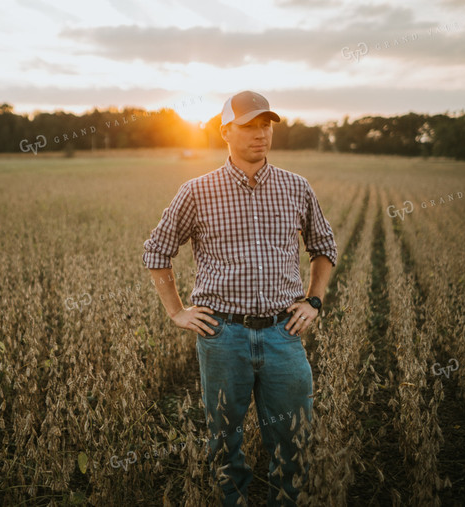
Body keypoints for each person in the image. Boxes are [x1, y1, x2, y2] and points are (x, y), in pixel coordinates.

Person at [141, 91, 337, 506]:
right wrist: (177, 312)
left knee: (294, 434)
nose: (260, 134)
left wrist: (313, 301)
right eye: (249, 126)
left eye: (266, 125)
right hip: (222, 336)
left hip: (284, 333)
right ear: (225, 131)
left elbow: (324, 246)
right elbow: (156, 251)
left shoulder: (295, 187)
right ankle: (233, 499)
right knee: (224, 438)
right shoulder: (196, 191)